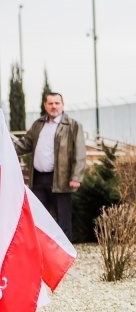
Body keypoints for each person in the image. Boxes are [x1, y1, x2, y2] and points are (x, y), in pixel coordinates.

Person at [13, 92, 85, 241]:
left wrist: (76, 176)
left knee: (63, 221)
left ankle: (65, 258)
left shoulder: (73, 126)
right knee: (38, 220)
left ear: (62, 105)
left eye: (57, 103)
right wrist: (6, 148)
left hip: (61, 180)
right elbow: (25, 144)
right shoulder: (38, 124)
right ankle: (42, 257)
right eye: (50, 103)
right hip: (38, 180)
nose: (54, 106)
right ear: (45, 105)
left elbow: (80, 153)